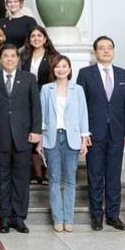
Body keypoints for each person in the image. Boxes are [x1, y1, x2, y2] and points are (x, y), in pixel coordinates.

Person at [76, 35, 125, 231]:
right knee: (95, 175)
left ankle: (113, 215)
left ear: (114, 51)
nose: (106, 51)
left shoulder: (123, 75)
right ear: (95, 52)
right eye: (102, 48)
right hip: (94, 133)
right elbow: (80, 106)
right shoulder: (85, 74)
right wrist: (82, 133)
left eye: (109, 47)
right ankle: (96, 216)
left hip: (117, 133)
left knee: (114, 176)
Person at [0, 44, 42, 233]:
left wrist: (36, 130)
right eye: (5, 56)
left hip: (23, 137)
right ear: (0, 59)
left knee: (21, 178)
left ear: (18, 59)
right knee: (1, 178)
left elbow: (36, 107)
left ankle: (19, 217)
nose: (9, 59)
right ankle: (4, 217)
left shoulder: (29, 79)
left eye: (12, 56)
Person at [39, 54, 90, 232]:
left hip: (72, 138)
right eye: (57, 67)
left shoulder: (78, 89)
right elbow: (42, 116)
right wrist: (39, 141)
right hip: (52, 138)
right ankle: (57, 219)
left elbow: (83, 115)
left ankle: (69, 218)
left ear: (69, 69)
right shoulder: (46, 89)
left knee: (70, 180)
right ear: (53, 70)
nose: (61, 69)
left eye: (64, 66)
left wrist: (84, 140)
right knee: (53, 180)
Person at [21, 25, 58, 183]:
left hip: (48, 97)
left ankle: (49, 169)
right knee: (33, 133)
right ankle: (37, 173)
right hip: (27, 99)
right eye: (33, 36)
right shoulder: (24, 55)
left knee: (47, 134)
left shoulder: (53, 56)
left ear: (45, 38)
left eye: (39, 36)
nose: (36, 39)